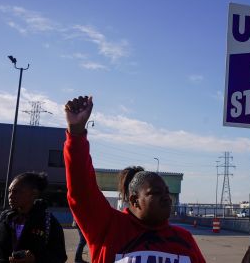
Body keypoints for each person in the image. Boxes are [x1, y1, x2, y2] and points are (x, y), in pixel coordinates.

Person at [64, 96, 206, 263]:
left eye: (166, 192)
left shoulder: (184, 238)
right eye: (156, 192)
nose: (166, 197)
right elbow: (82, 190)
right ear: (134, 200)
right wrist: (76, 134)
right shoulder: (108, 227)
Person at [0, 172, 67, 263]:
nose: (10, 196)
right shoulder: (3, 218)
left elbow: (60, 257)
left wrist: (35, 259)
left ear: (34, 193)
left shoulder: (49, 222)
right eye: (9, 191)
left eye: (16, 191)